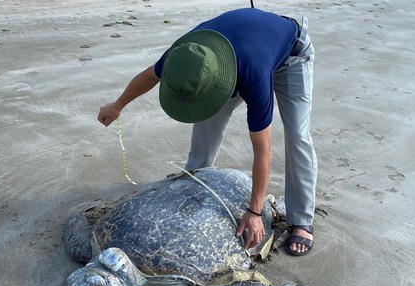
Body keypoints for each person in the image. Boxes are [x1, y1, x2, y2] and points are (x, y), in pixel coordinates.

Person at [97, 8, 317, 256]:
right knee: (207, 115)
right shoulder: (186, 55)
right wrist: (117, 105)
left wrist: (255, 211)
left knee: (298, 135)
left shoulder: (253, 74)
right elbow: (150, 76)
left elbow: (263, 148)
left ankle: (302, 219)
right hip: (230, 52)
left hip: (291, 56)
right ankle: (194, 179)